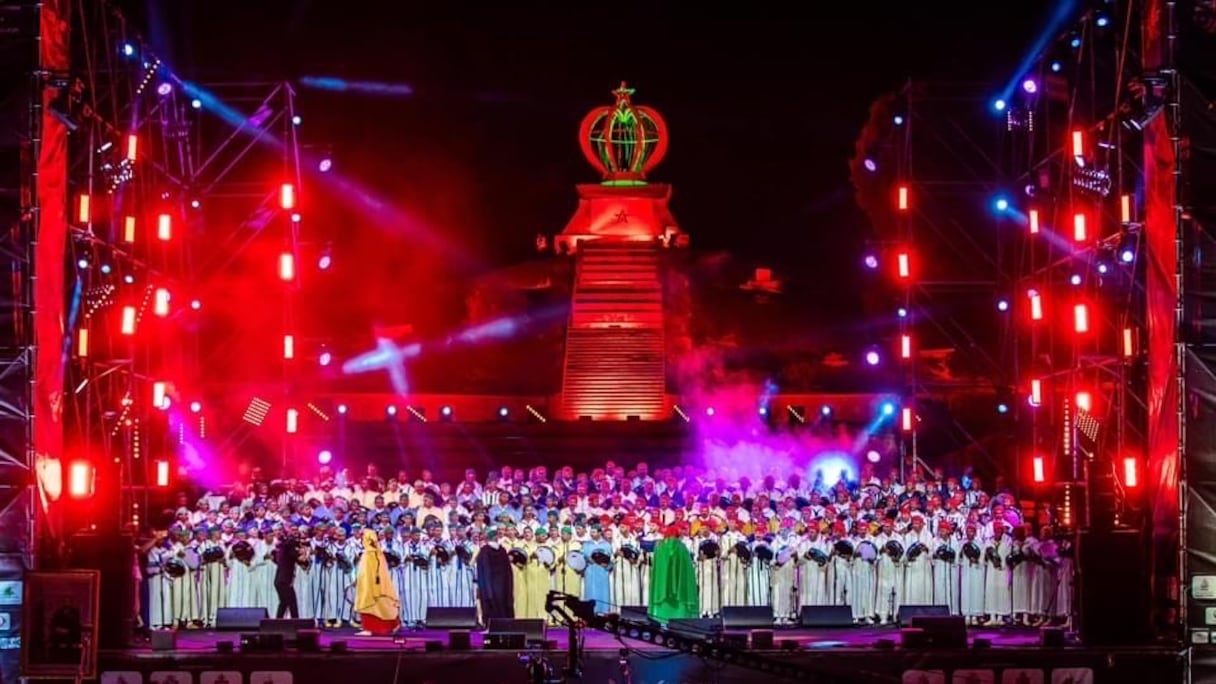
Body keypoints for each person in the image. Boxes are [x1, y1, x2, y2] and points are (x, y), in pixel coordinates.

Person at [354, 528, 400, 636]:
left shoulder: (369, 554)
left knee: (369, 605)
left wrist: (361, 581)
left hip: (370, 585)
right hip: (378, 584)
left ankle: (369, 628)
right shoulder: (378, 552)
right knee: (383, 605)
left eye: (363, 537)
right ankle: (392, 625)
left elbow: (366, 572)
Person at [648, 525, 698, 623]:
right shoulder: (681, 547)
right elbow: (687, 568)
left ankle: (662, 621)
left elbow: (657, 567)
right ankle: (680, 620)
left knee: (663, 605)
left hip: (663, 587)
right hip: (680, 588)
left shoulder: (660, 547)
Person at [475, 527, 515, 623]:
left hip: (490, 585)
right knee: (502, 607)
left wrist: (485, 588)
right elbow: (508, 570)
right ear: (496, 537)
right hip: (503, 586)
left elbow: (484, 570)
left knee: (491, 610)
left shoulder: (484, 551)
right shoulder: (502, 550)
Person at [274, 532, 301, 618]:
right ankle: (295, 621)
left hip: (279, 580)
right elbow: (300, 559)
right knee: (292, 602)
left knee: (284, 602)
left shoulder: (283, 549)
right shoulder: (289, 549)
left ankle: (278, 621)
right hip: (284, 581)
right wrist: (305, 552)